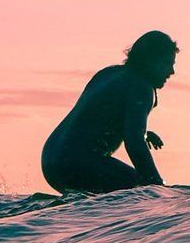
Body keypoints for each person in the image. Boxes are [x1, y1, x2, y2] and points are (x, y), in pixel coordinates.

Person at [41, 31, 177, 194]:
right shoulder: (142, 87)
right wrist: (158, 188)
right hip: (76, 163)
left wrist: (144, 133)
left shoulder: (108, 74)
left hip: (50, 160)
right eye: (167, 63)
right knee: (140, 189)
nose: (172, 71)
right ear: (151, 61)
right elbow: (134, 142)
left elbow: (96, 118)